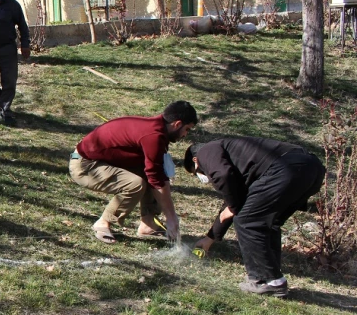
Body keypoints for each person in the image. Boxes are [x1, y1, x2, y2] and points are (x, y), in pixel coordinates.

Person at [183, 137, 325, 297]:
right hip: (312, 168)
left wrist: (233, 206)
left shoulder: (206, 150)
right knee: (268, 222)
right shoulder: (239, 157)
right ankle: (272, 276)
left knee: (248, 221)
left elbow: (223, 176)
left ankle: (267, 280)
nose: (203, 176)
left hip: (287, 168)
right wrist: (210, 237)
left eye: (197, 172)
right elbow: (235, 200)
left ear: (195, 160)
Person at [69, 101, 199, 244]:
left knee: (152, 173)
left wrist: (170, 214)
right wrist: (171, 216)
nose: (186, 134)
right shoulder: (153, 136)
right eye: (187, 129)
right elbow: (156, 177)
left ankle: (148, 224)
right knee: (135, 184)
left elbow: (157, 173)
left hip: (102, 161)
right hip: (85, 166)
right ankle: (103, 223)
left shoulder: (158, 129)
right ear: (177, 124)